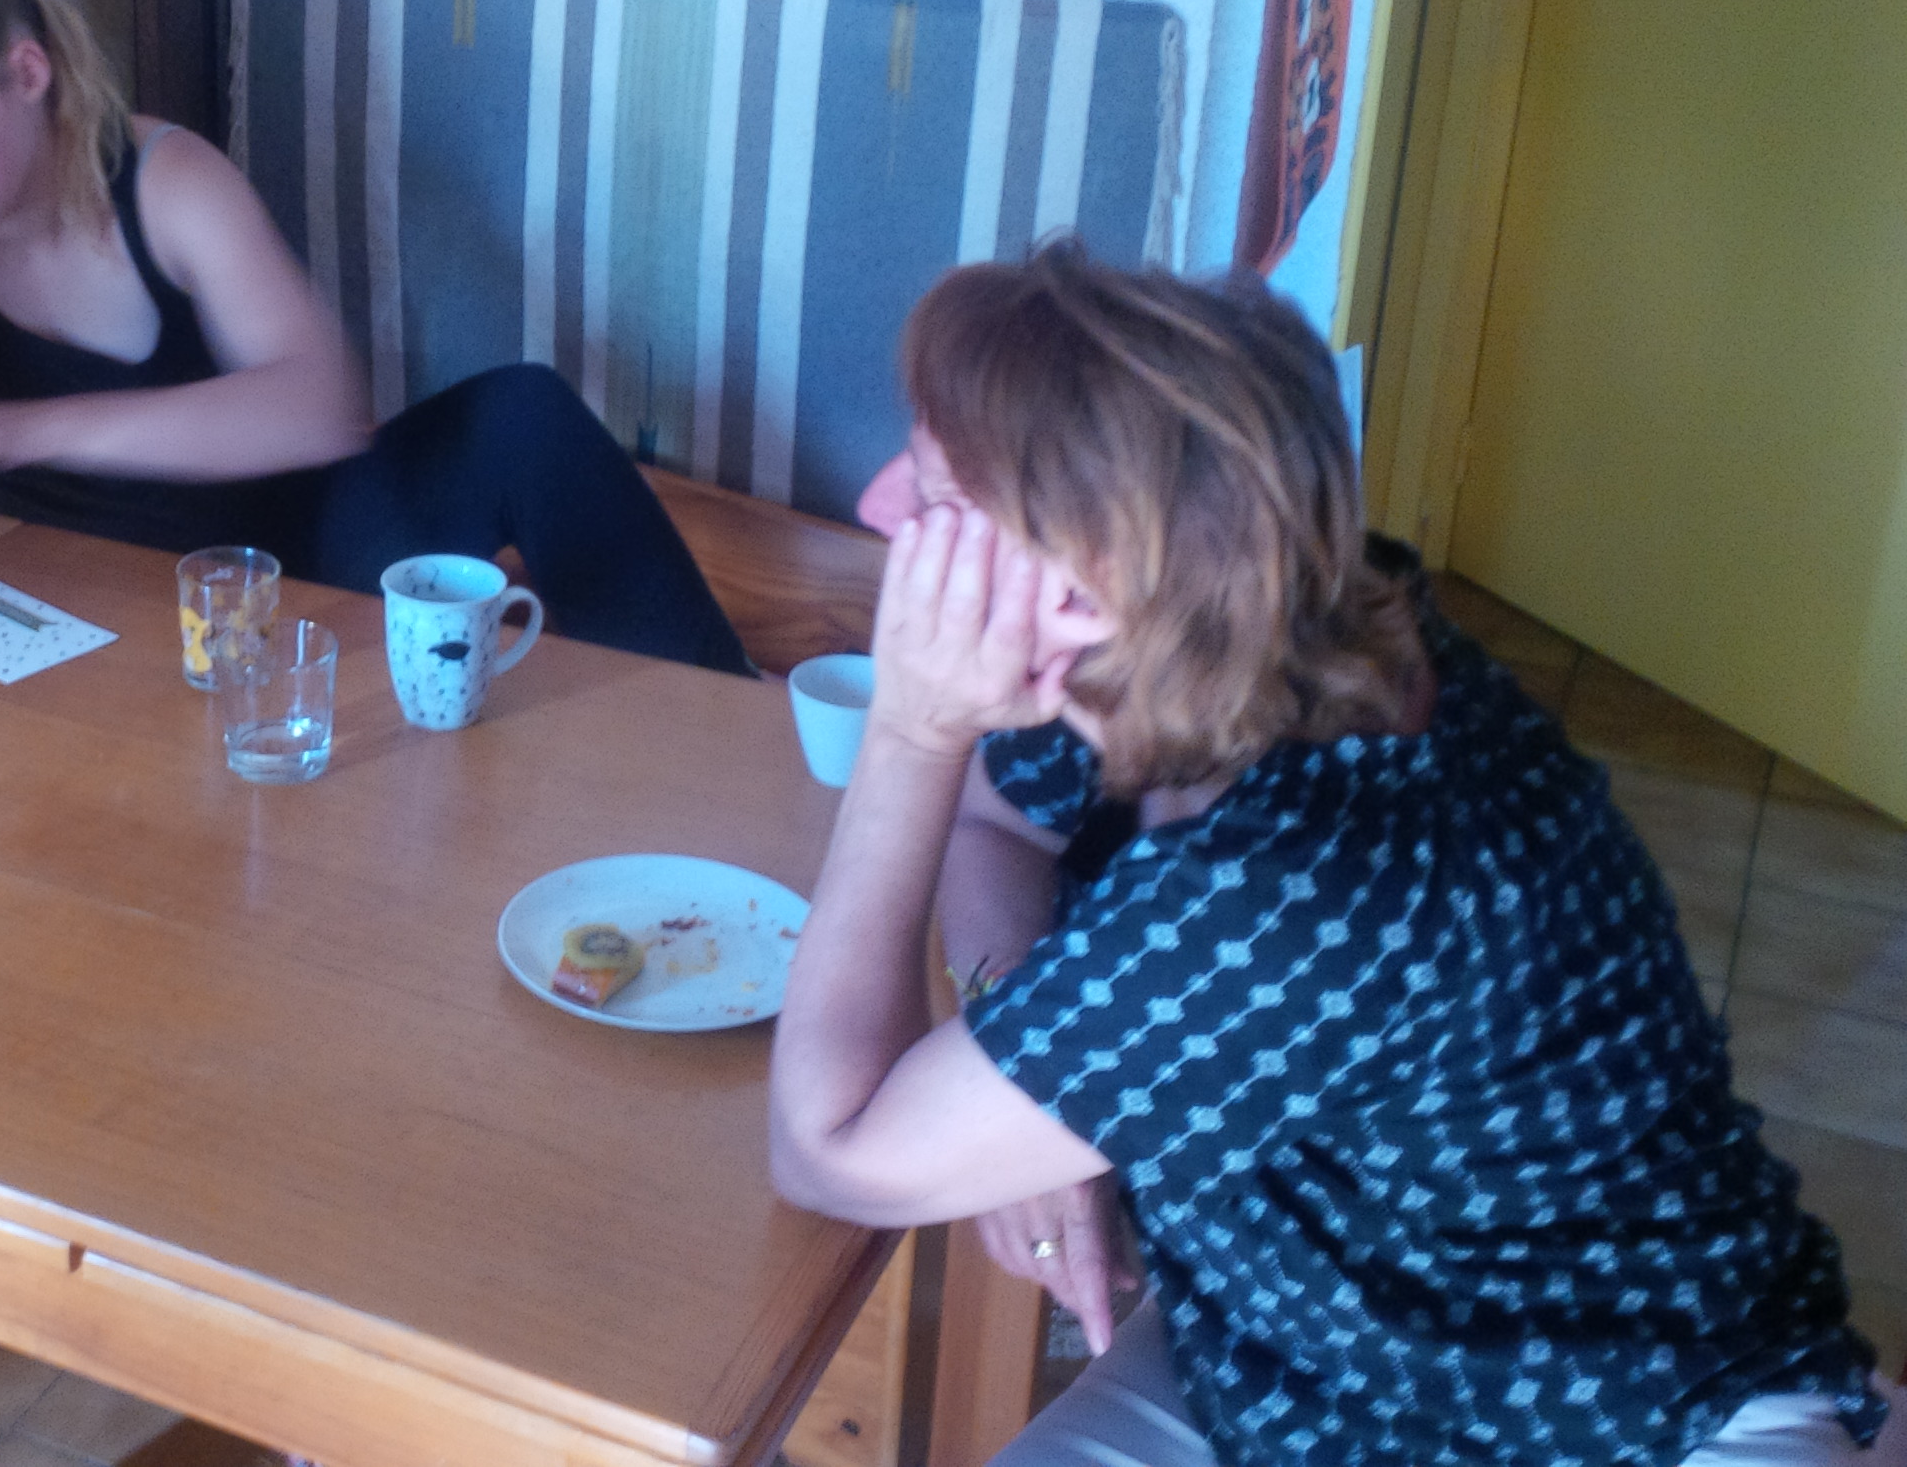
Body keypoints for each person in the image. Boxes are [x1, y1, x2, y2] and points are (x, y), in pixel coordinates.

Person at [764, 243, 1894, 1465]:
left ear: (1085, 592)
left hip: (1619, 1422)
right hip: (1306, 1348)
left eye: (935, 498)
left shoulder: (1291, 894)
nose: (877, 507)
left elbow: (829, 1149)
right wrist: (1028, 1047)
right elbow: (999, 822)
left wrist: (911, 732)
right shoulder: (1259, 620)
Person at [0, 0, 751, 674]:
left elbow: (321, 409)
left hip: (284, 571)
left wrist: (8, 430)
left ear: (27, 74)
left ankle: (723, 717)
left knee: (523, 417)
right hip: (69, 613)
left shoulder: (166, 181)